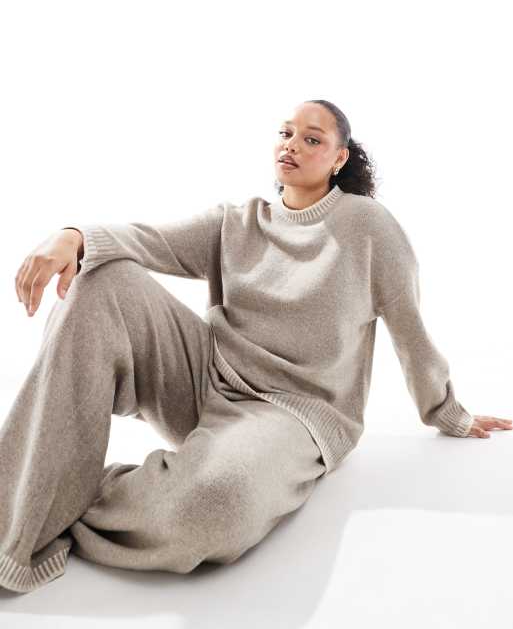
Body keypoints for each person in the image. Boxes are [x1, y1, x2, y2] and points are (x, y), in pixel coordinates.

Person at [2, 99, 511, 594]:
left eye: (312, 139)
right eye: (286, 133)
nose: (292, 145)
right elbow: (148, 240)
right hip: (206, 377)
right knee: (101, 279)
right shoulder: (239, 221)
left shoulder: (369, 226)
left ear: (339, 158)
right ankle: (17, 512)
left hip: (293, 413)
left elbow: (410, 329)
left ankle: (58, 493)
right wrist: (72, 236)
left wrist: (445, 411)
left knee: (212, 508)